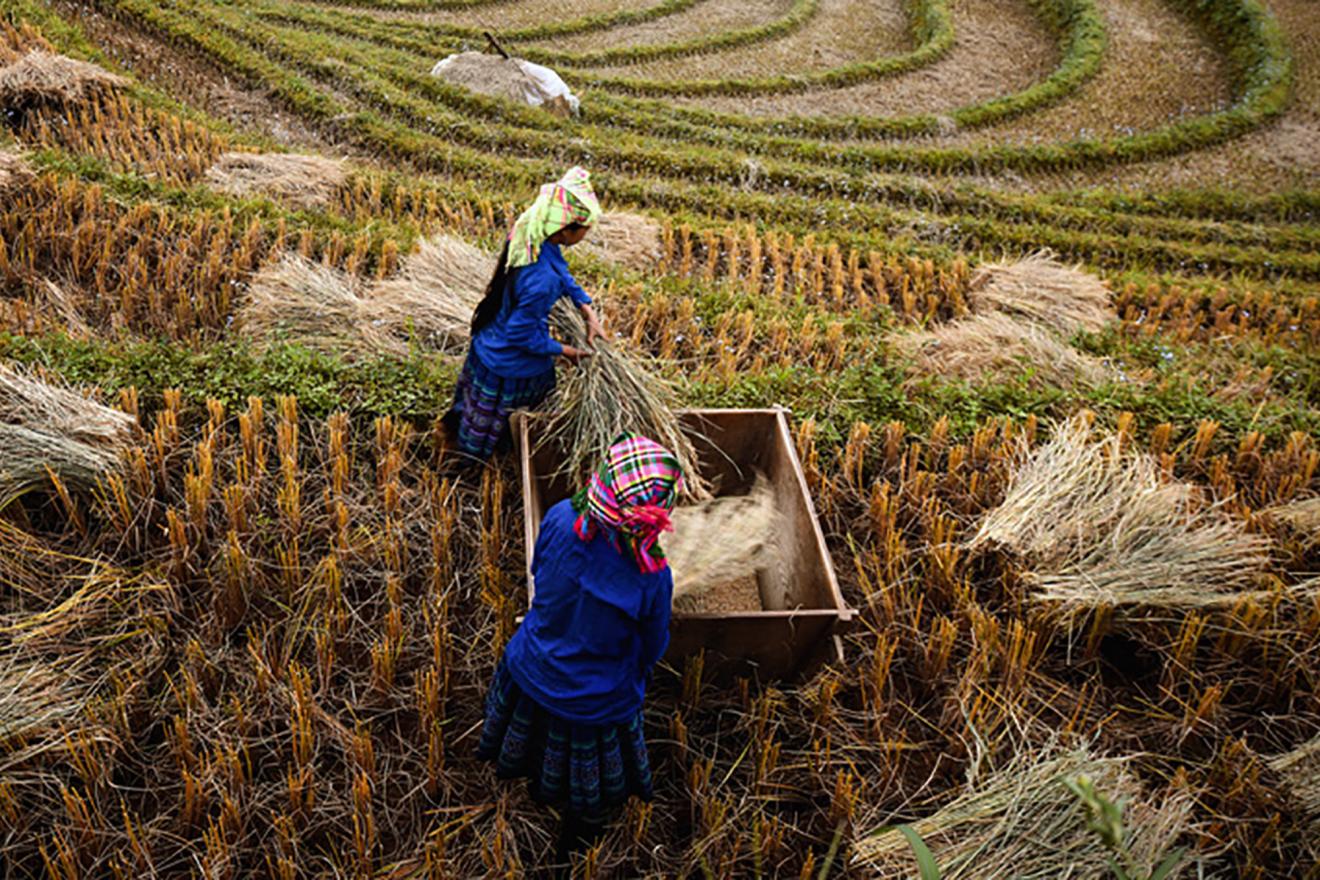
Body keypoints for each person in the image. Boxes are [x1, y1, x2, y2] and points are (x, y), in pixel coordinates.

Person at [477, 433, 681, 870]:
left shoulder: (559, 518)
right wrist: (632, 677)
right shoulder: (653, 576)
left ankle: (535, 783)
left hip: (528, 670)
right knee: (590, 793)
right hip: (593, 704)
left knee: (534, 745)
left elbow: (538, 571)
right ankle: (577, 841)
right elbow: (652, 646)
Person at [443, 166, 609, 461]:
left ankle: (477, 447)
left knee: (475, 409)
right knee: (508, 421)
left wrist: (586, 309)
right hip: (509, 362)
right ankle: (482, 462)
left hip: (489, 342)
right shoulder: (541, 281)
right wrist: (564, 350)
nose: (587, 233)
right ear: (566, 228)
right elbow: (520, 334)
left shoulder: (532, 233)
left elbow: (561, 271)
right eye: (586, 228)